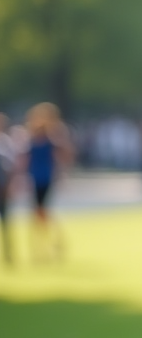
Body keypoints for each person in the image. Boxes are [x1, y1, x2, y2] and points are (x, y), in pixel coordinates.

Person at [23, 102, 73, 261]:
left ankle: (50, 243)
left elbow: (64, 154)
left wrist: (62, 172)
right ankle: (42, 246)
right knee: (39, 213)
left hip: (45, 178)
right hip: (35, 178)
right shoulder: (32, 139)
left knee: (42, 212)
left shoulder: (50, 139)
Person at [0, 113, 17, 265]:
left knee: (6, 221)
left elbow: (12, 167)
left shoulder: (6, 142)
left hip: (3, 188)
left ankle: (8, 253)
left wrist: (12, 185)